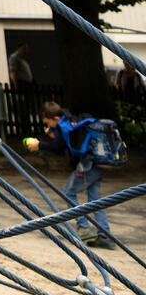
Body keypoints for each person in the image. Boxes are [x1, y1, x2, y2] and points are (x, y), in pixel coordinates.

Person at [23, 100, 115, 249]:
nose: (48, 127)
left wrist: (39, 144)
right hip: (99, 163)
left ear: (56, 119)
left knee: (68, 193)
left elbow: (58, 147)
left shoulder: (64, 126)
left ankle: (84, 228)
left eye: (48, 123)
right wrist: (55, 133)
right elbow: (63, 146)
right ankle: (105, 236)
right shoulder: (70, 121)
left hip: (88, 165)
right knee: (95, 199)